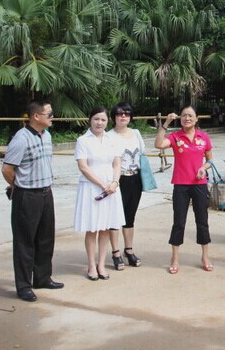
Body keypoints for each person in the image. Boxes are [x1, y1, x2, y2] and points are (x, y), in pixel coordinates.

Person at [2, 99, 63, 302]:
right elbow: (7, 169)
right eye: (49, 114)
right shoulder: (21, 139)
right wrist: (17, 187)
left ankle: (42, 278)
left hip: (46, 193)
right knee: (24, 242)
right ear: (36, 116)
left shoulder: (46, 136)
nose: (53, 117)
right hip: (27, 195)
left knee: (46, 239)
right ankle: (24, 286)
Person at [155, 106, 214, 274]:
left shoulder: (204, 138)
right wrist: (166, 122)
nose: (187, 118)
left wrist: (204, 167)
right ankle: (174, 257)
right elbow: (159, 144)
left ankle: (205, 256)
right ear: (180, 119)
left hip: (200, 185)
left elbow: (210, 160)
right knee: (179, 222)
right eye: (184, 116)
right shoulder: (175, 137)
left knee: (202, 221)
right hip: (181, 185)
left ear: (196, 119)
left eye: (190, 116)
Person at [74, 106, 126, 281]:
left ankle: (101, 264)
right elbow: (83, 167)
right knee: (92, 228)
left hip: (111, 188)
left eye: (103, 120)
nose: (99, 122)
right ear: (90, 119)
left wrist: (114, 182)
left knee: (105, 227)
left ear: (107, 121)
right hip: (91, 187)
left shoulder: (113, 140)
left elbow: (117, 164)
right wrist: (103, 184)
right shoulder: (83, 140)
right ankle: (91, 265)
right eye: (96, 119)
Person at [107, 102, 146, 269]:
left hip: (135, 179)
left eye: (127, 113)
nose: (123, 116)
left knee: (130, 216)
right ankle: (115, 252)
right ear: (114, 116)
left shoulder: (136, 133)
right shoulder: (109, 136)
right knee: (115, 217)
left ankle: (128, 250)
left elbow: (142, 153)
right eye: (120, 113)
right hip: (118, 180)